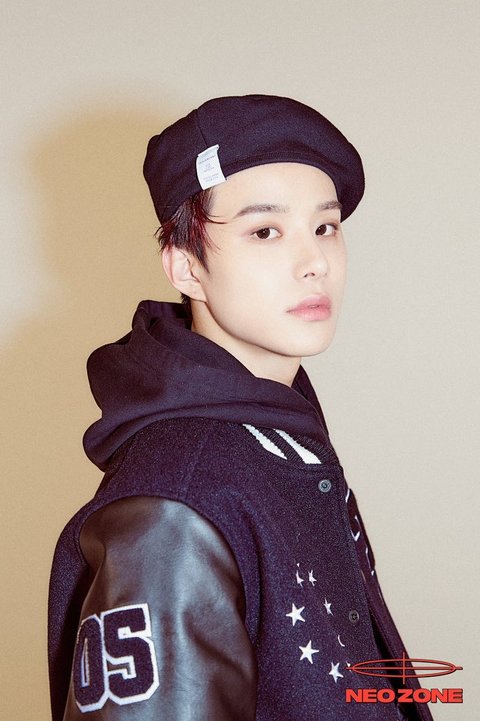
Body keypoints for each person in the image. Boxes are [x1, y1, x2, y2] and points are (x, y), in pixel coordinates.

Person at [48, 95, 433, 721]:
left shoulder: (278, 438)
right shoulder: (177, 498)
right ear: (185, 268)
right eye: (265, 232)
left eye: (326, 227)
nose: (314, 263)